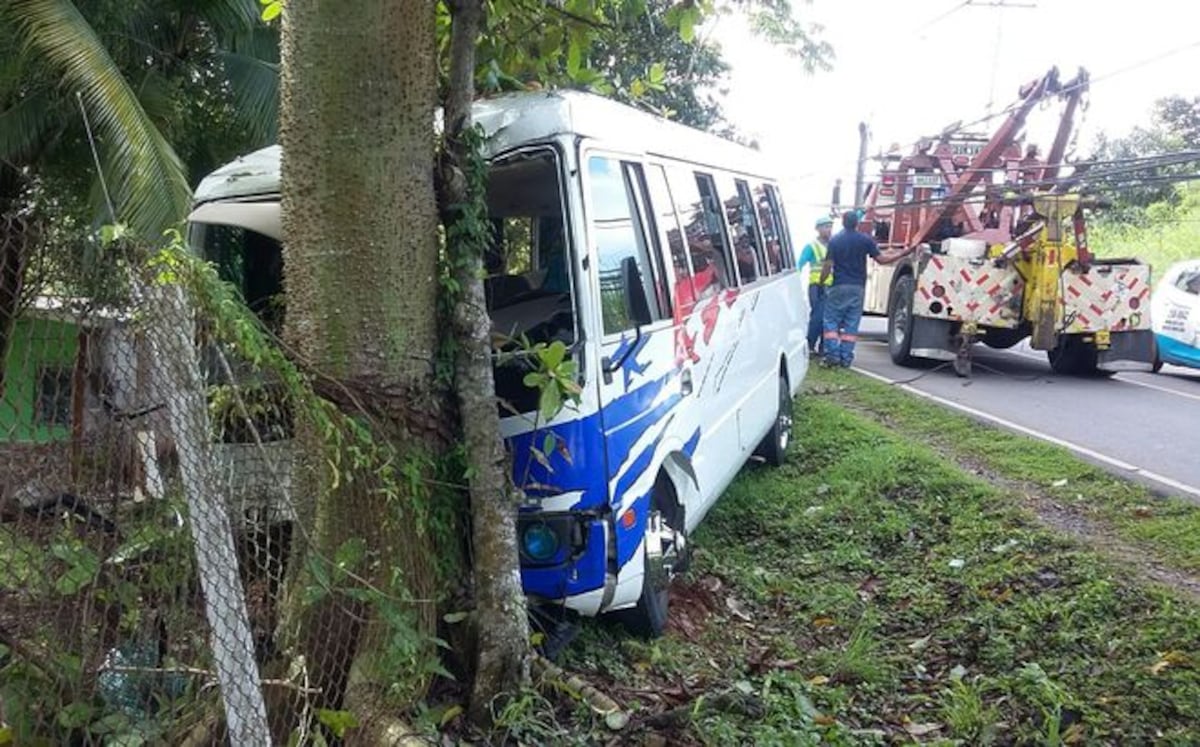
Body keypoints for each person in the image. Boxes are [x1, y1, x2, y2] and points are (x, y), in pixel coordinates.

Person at [819, 210, 911, 368]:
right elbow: (882, 260)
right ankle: (846, 358)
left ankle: (832, 355)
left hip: (839, 285)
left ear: (843, 222)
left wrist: (821, 282)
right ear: (857, 223)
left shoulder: (835, 241)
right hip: (858, 287)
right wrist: (903, 254)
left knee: (831, 321)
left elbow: (828, 265)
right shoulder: (865, 240)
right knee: (851, 324)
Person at [796, 216, 834, 354]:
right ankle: (810, 344)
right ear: (818, 229)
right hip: (816, 286)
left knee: (828, 318)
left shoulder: (834, 244)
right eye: (825, 227)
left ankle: (823, 347)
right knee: (817, 317)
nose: (829, 230)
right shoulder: (811, 246)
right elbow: (800, 264)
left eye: (830, 226)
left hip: (831, 286)